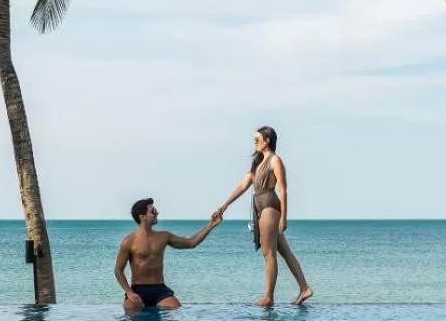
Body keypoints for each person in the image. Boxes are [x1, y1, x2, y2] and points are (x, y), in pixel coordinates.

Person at [213, 126, 313, 307]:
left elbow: (283, 190)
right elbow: (243, 185)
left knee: (269, 255)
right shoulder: (258, 162)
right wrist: (225, 204)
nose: (255, 142)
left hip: (269, 207)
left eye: (257, 139)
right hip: (261, 208)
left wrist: (284, 218)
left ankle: (268, 297)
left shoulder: (275, 160)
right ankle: (304, 288)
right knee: (285, 252)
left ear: (267, 140)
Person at [115, 198, 221, 310]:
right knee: (131, 311)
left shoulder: (164, 236)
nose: (157, 213)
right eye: (153, 211)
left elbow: (191, 243)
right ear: (142, 217)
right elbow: (118, 270)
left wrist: (211, 225)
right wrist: (129, 293)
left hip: (160, 289)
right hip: (138, 290)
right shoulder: (129, 241)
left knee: (176, 309)